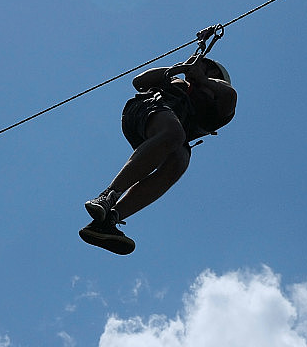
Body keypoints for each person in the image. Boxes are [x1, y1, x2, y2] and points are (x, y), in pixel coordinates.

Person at [79, 56, 237, 254]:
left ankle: (108, 221)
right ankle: (108, 195)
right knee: (174, 134)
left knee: (180, 160)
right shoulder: (176, 82)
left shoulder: (219, 106)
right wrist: (179, 68)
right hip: (145, 112)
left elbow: (229, 95)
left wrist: (204, 80)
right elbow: (139, 81)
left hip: (164, 136)